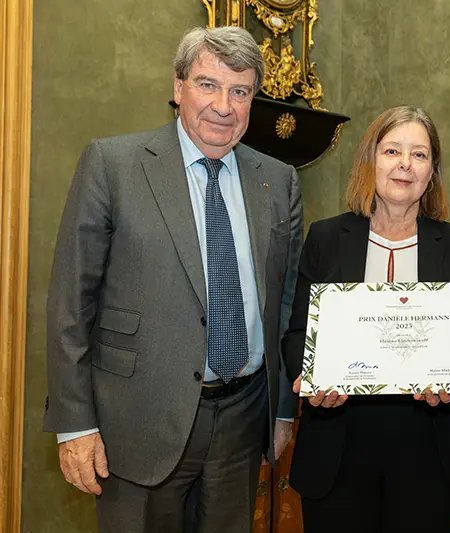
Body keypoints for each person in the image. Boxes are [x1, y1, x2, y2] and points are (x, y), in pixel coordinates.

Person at [43, 26, 303, 533]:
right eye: (208, 85)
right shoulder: (112, 165)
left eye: (240, 91)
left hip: (243, 421)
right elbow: (71, 303)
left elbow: (288, 307)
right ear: (179, 85)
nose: (223, 106)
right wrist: (75, 424)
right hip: (137, 422)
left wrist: (284, 412)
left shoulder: (279, 181)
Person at [281, 105, 450, 533]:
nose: (405, 164)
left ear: (433, 172)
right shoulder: (327, 238)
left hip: (432, 448)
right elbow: (298, 332)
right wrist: (314, 379)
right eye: (392, 151)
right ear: (371, 161)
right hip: (339, 442)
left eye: (420, 154)